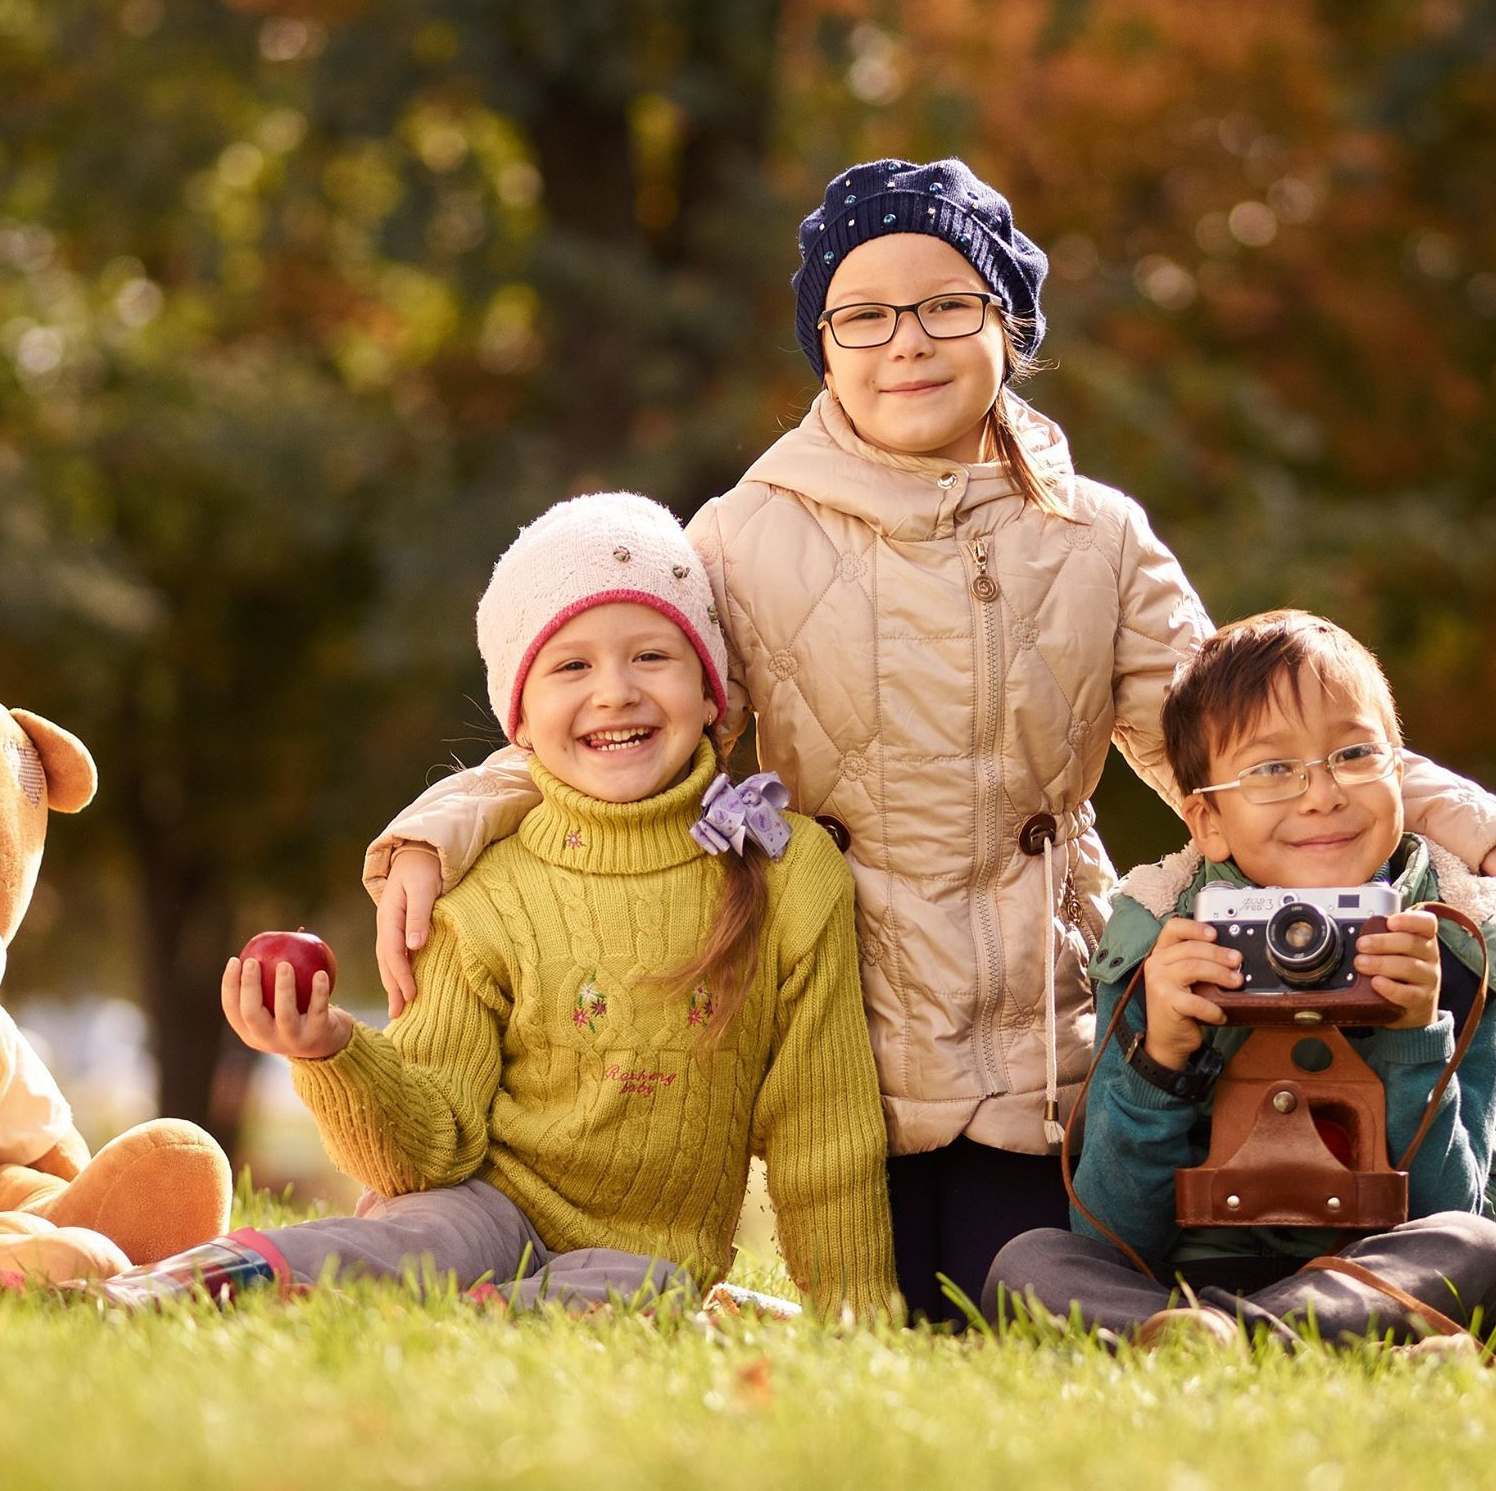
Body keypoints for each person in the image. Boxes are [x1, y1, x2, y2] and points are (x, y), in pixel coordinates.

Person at [363, 159, 1496, 1323]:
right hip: (853, 1042)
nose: (905, 340)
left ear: (1007, 325)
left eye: (947, 303)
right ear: (823, 343)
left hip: (1041, 1032)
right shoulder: (748, 534)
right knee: (909, 1311)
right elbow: (621, 722)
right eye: (862, 315)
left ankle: (1268, 1316)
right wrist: (432, 830)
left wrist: (1464, 817)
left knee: (1036, 1297)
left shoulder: (1095, 537)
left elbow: (1247, 736)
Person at [82, 494, 898, 1317]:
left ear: (712, 687)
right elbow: (429, 1148)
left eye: (652, 655)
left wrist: (854, 1312)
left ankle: (481, 1319)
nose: (614, 692)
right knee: (416, 1241)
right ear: (522, 718)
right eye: (571, 666)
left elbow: (823, 1127)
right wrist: (330, 1052)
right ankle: (170, 1290)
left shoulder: (790, 875)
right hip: (482, 1204)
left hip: (642, 1253)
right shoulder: (482, 892)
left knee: (641, 1289)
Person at [985, 610, 1496, 1349]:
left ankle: (1216, 1339)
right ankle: (1255, 1337)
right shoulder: (1162, 937)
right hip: (1185, 1277)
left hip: (1368, 1270)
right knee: (1028, 1261)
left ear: (1400, 769)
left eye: (1355, 754)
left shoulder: (1458, 939)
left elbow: (1459, 1202)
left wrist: (1416, 1037)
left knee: (1476, 1248)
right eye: (1272, 770)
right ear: (1207, 822)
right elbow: (1112, 1229)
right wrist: (1158, 1059)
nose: (1320, 794)